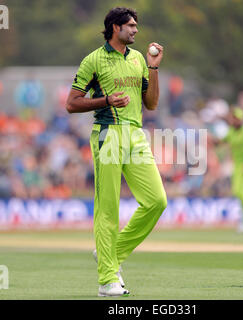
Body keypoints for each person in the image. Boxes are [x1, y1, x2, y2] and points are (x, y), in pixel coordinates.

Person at [65, 7, 167, 297]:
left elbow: (152, 104)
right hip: (108, 134)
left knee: (157, 201)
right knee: (107, 209)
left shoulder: (137, 59)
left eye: (136, 25)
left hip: (135, 135)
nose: (136, 30)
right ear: (114, 28)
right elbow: (71, 103)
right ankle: (107, 279)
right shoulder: (93, 60)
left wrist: (154, 67)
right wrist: (106, 100)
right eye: (130, 25)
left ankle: (112, 253)